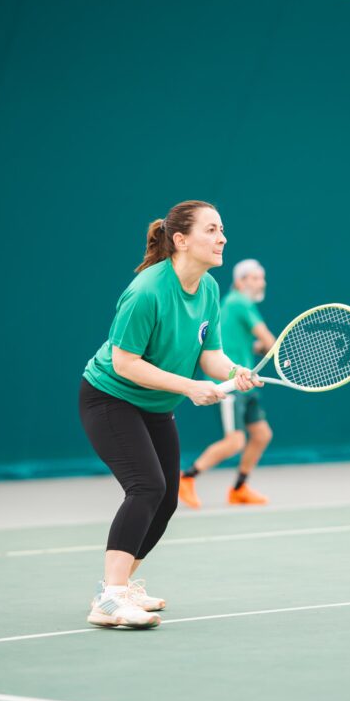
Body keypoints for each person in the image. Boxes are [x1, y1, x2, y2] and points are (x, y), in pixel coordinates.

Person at [79, 200, 260, 629]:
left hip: (156, 406)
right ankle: (109, 600)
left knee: (166, 500)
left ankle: (121, 586)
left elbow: (210, 355)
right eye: (211, 230)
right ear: (180, 240)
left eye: (222, 229)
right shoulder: (147, 292)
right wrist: (189, 386)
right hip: (111, 398)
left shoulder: (209, 289)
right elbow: (124, 363)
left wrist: (234, 372)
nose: (222, 238)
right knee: (146, 487)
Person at [179, 259, 276, 508]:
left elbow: (248, 344)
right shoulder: (239, 302)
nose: (261, 283)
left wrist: (260, 348)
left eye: (262, 278)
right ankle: (186, 478)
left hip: (246, 381)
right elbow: (268, 340)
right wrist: (274, 349)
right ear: (240, 282)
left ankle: (239, 489)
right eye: (255, 278)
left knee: (261, 434)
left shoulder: (235, 304)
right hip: (229, 383)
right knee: (235, 441)